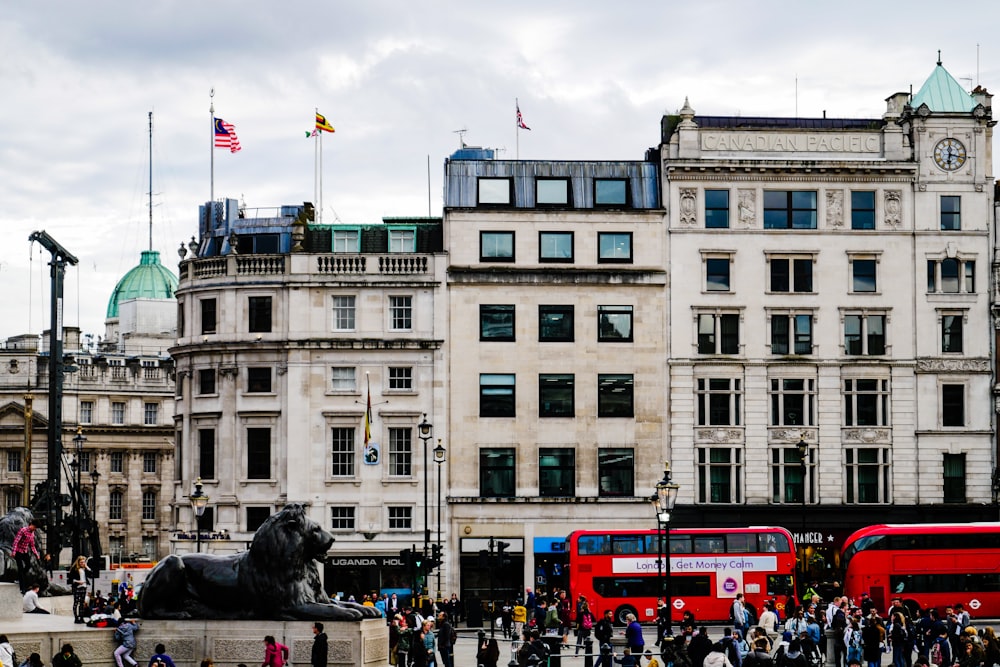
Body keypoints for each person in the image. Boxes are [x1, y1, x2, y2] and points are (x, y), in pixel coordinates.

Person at [12, 520, 40, 593]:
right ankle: (22, 588)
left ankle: (19, 577)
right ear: (31, 525)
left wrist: (36, 554)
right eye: (35, 527)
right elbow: (16, 541)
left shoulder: (32, 534)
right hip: (18, 551)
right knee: (20, 567)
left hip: (24, 551)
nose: (35, 529)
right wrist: (14, 551)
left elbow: (32, 545)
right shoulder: (23, 530)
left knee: (28, 565)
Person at [69, 556, 89, 624]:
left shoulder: (84, 569)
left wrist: (87, 567)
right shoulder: (75, 569)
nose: (82, 563)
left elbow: (91, 574)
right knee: (76, 602)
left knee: (82, 603)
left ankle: (82, 617)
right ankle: (76, 618)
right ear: (78, 562)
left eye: (83, 562)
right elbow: (71, 579)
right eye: (81, 562)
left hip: (84, 586)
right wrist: (78, 581)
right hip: (77, 587)